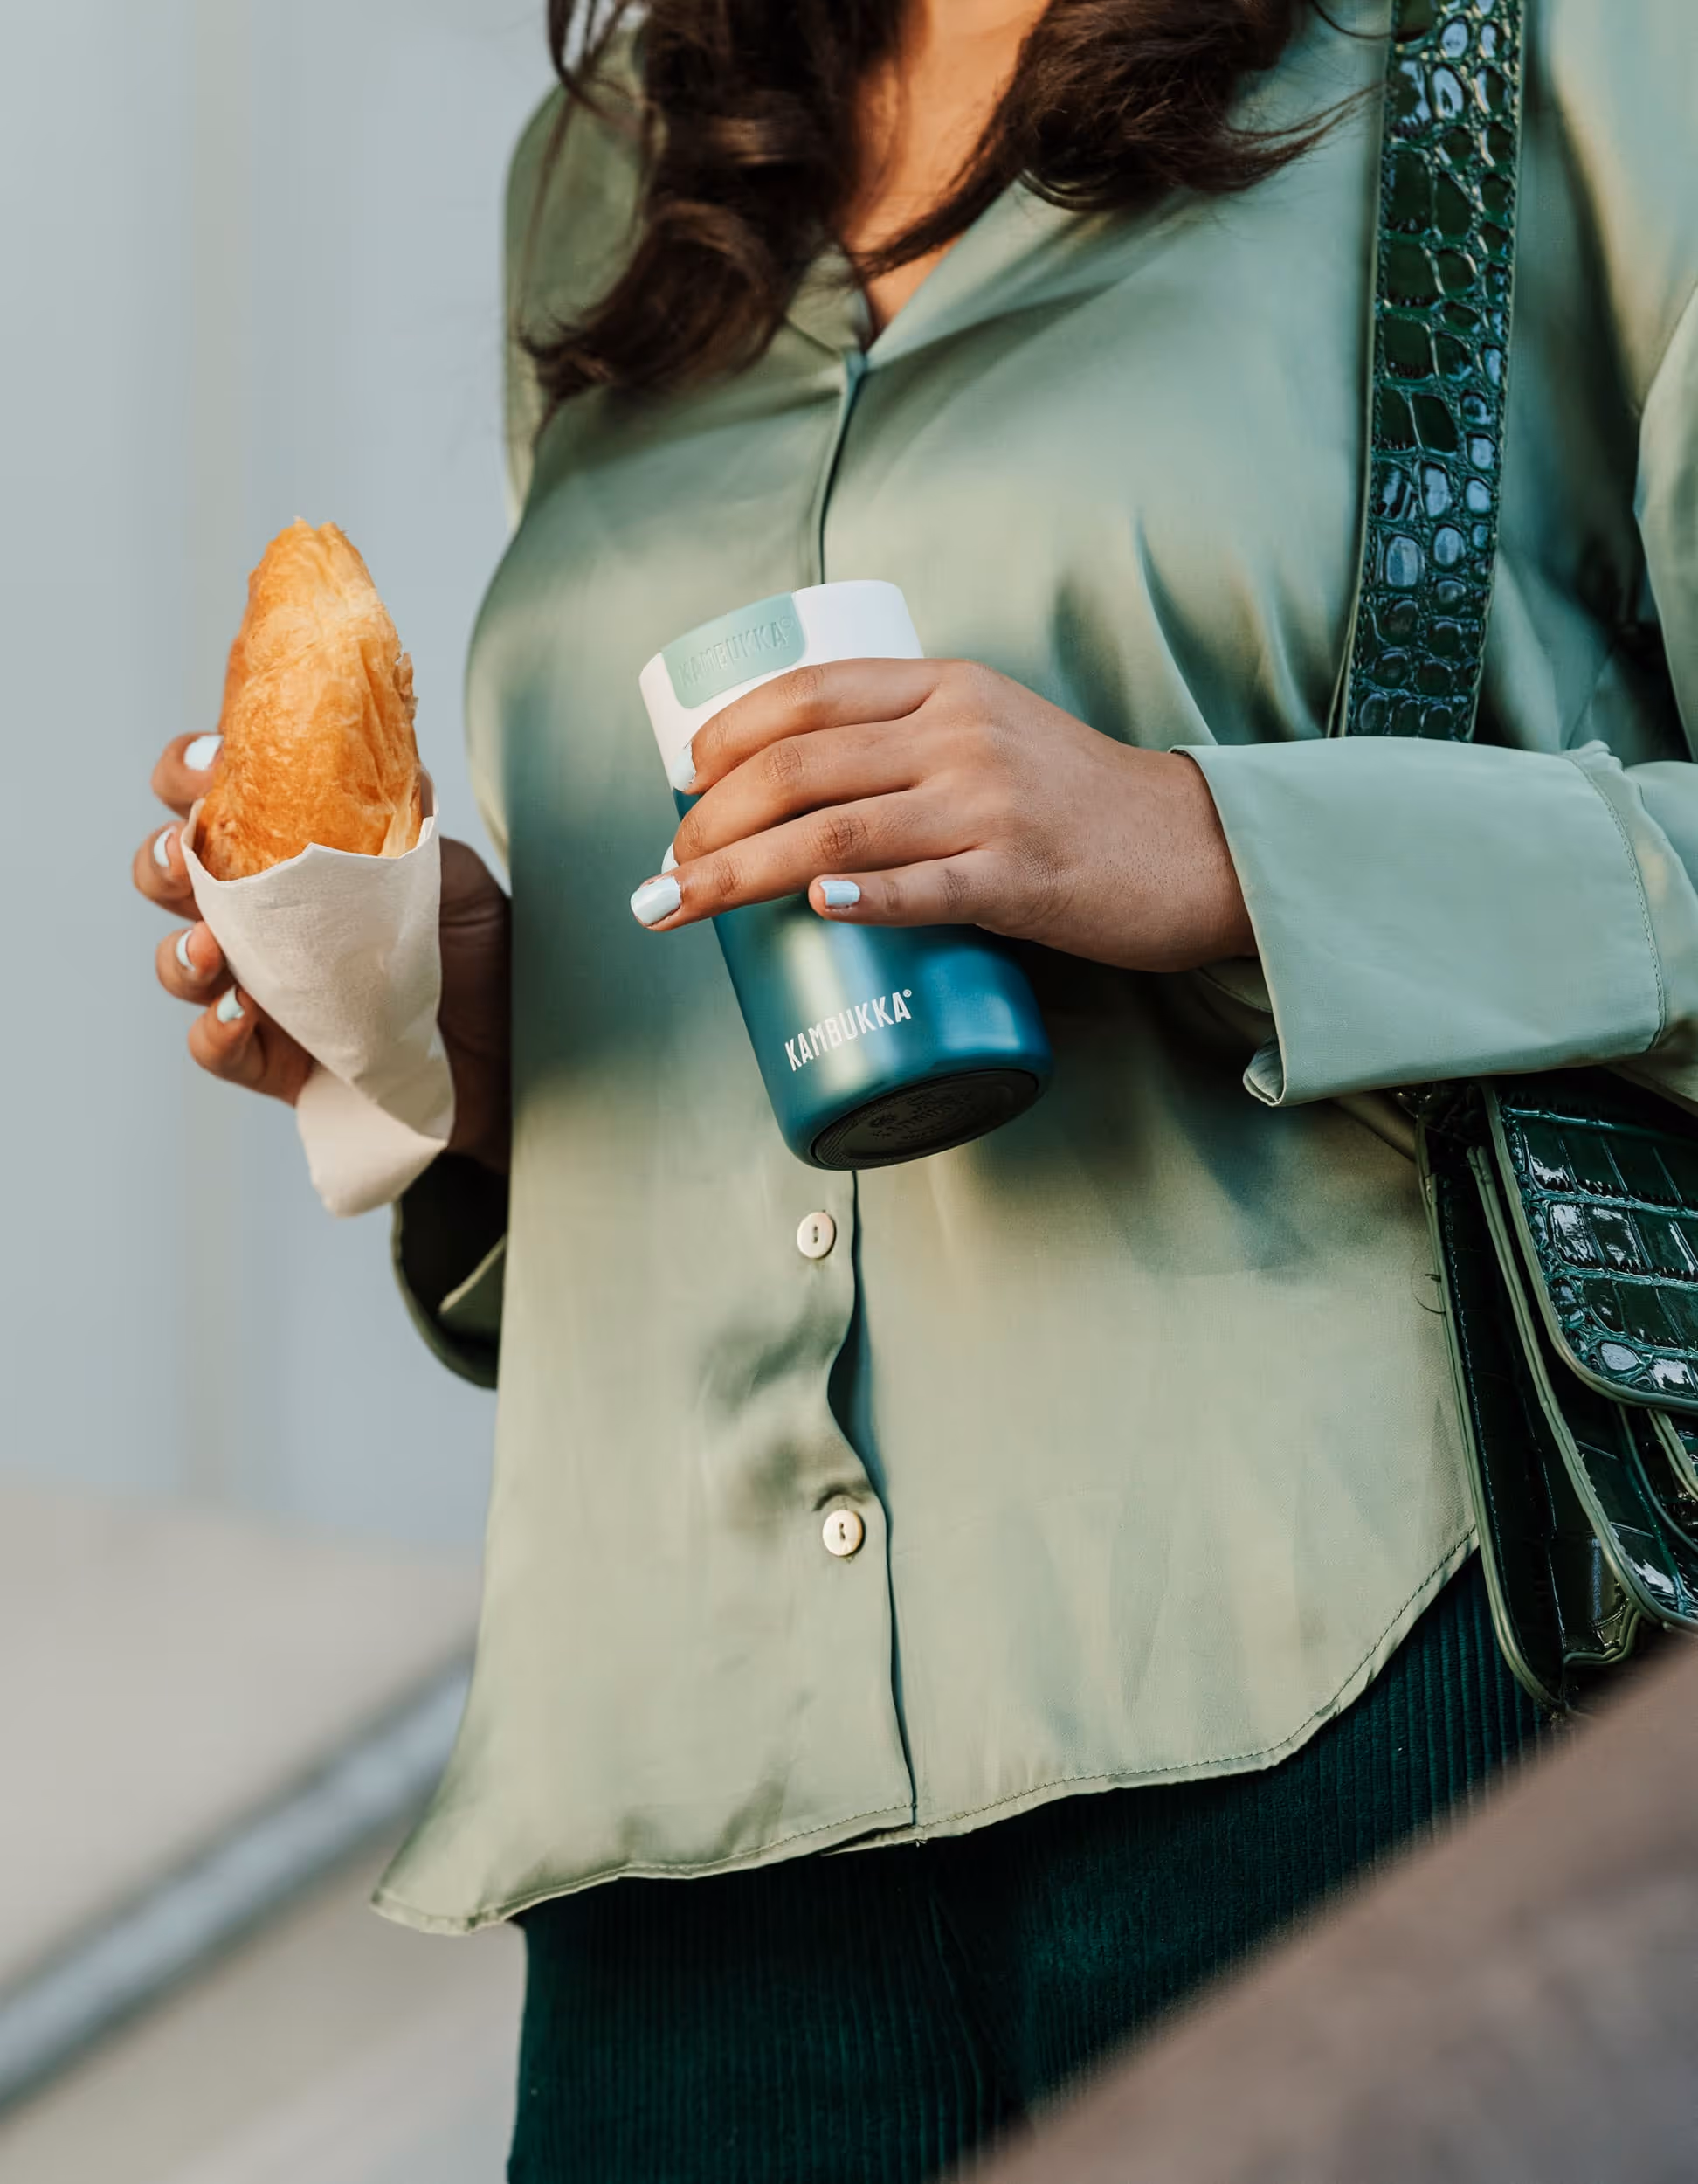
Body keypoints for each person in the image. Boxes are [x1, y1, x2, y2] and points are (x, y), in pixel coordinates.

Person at [133, 1, 1698, 2176]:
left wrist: (1208, 838)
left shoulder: (1554, 52)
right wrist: (485, 1042)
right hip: (686, 1809)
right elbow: (735, 968)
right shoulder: (615, 165)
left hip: (1380, 1678)